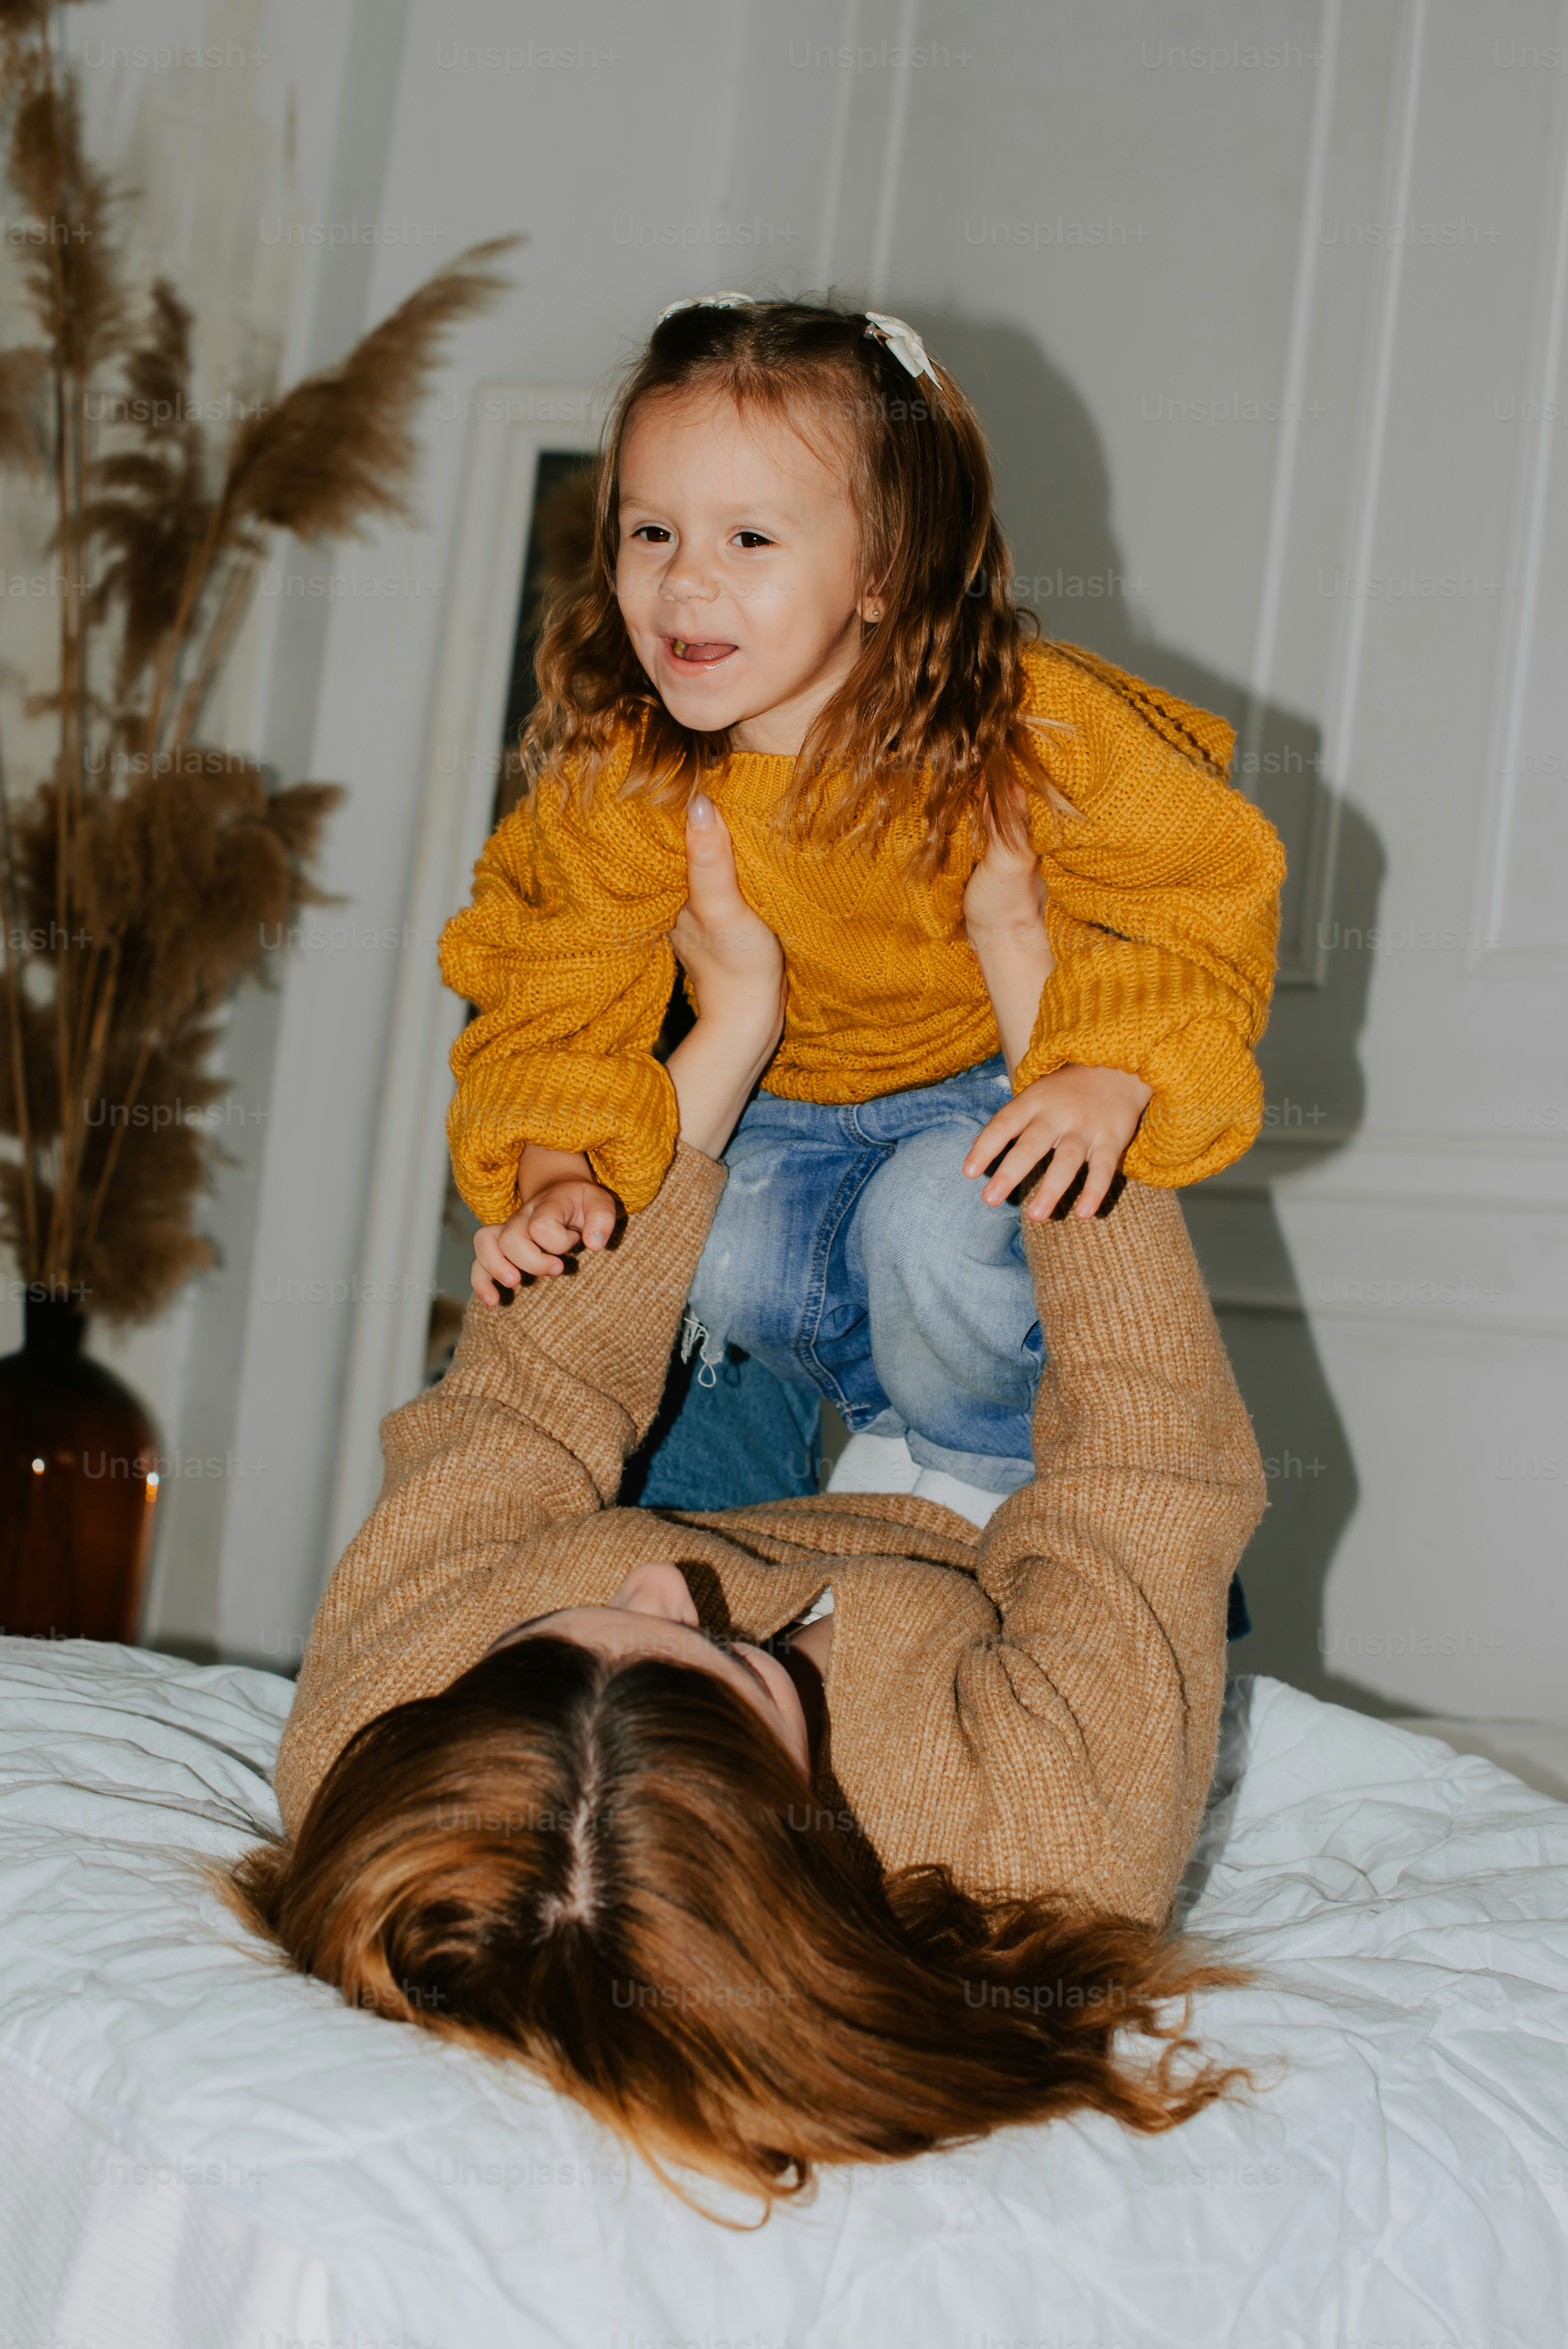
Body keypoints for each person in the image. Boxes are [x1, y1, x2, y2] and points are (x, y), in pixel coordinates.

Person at [231, 811, 1268, 2210]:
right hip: (1002, 1563)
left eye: (575, 1626)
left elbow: (511, 1424)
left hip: (748, 1509)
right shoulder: (1036, 1844)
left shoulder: (392, 1734)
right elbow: (1148, 1474)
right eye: (720, 1660)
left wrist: (729, 1024)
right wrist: (1034, 985)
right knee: (937, 1227)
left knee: (683, 1240)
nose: (666, 1582)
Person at [438, 295, 1285, 1529]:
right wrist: (558, 1169)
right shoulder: (625, 777)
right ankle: (887, 1425)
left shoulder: (1026, 725)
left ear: (883, 571)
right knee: (708, 1262)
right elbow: (548, 978)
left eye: (749, 542)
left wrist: (1109, 1071)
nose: (684, 585)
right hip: (786, 1113)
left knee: (935, 1227)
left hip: (978, 1092)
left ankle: (975, 1467)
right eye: (652, 532)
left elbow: (1197, 882)